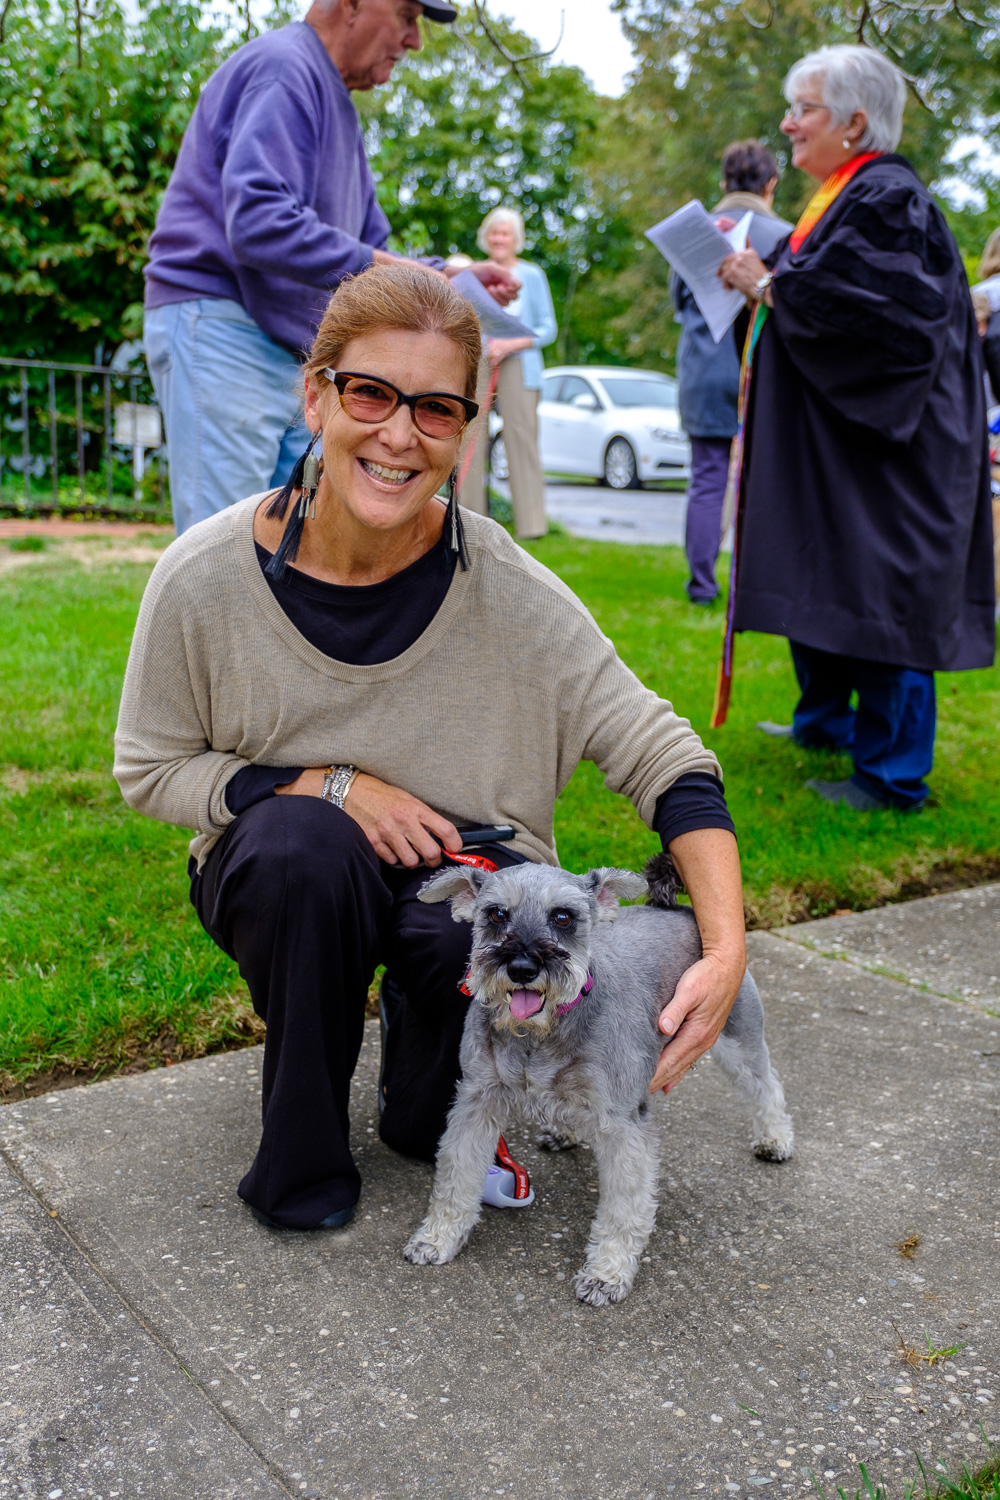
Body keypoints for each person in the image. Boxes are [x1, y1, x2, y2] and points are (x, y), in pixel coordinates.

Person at [115, 263, 746, 1232]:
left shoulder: (510, 589)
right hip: (289, 873)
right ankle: (301, 1153)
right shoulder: (202, 577)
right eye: (371, 393)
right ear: (316, 394)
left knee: (460, 986)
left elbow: (665, 757)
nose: (400, 434)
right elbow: (150, 771)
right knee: (300, 851)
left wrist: (725, 945)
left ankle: (430, 1098)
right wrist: (328, 784)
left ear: (470, 423)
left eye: (438, 409)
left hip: (463, 882)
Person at [718, 43, 995, 813]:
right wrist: (769, 288)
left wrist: (769, 284)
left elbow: (882, 324)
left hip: (900, 445)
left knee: (888, 591)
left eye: (802, 109)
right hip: (853, 441)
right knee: (830, 569)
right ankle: (825, 724)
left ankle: (893, 775)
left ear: (854, 121)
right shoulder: (846, 194)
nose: (787, 123)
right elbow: (826, 298)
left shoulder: (887, 199)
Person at [143, 0, 515, 536]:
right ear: (353, 4)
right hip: (224, 323)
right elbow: (257, 218)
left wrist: (449, 275)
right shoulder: (285, 68)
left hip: (290, 346)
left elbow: (373, 246)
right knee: (222, 551)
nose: (414, 41)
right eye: (408, 17)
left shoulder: (335, 102)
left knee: (295, 542)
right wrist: (404, 267)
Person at [670, 141, 791, 604]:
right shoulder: (786, 234)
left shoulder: (692, 233)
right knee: (764, 479)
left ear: (723, 182)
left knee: (706, 478)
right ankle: (757, 586)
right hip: (760, 368)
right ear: (771, 184)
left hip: (703, 368)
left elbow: (680, 301)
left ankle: (701, 585)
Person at [457, 207, 557, 539]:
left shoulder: (531, 275)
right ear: (486, 237)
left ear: (516, 239)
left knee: (521, 440)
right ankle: (470, 519)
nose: (500, 239)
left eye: (506, 233)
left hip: (520, 364)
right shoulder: (473, 275)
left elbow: (548, 329)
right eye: (495, 233)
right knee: (470, 435)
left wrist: (511, 344)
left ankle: (532, 526)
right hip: (480, 363)